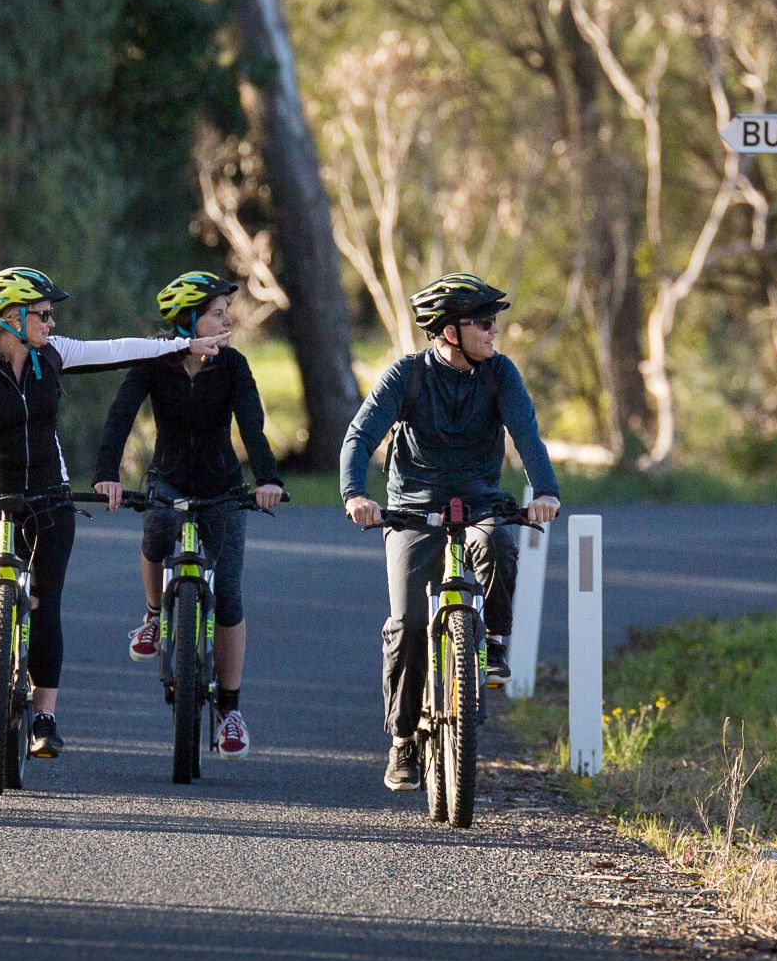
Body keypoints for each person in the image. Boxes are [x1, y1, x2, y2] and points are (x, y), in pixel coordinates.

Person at [0, 266, 226, 761]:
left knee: (46, 602)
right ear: (11, 318)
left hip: (49, 493)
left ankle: (47, 717)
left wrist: (180, 347)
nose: (51, 323)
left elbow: (119, 348)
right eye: (43, 314)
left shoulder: (55, 355)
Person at [338, 272, 561, 792]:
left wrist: (545, 490)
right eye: (483, 322)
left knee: (497, 542)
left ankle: (495, 643)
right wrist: (356, 495)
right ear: (449, 332)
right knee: (409, 624)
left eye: (494, 321)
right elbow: (359, 435)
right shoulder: (407, 376)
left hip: (480, 502)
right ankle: (402, 741)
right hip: (411, 510)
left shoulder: (500, 374)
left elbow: (526, 433)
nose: (494, 331)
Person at [92, 271, 285, 757]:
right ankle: (156, 616)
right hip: (169, 478)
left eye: (226, 314)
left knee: (232, 592)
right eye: (218, 315)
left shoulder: (234, 367)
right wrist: (106, 473)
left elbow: (252, 427)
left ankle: (229, 709)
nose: (227, 323)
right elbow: (120, 416)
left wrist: (268, 481)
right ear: (188, 322)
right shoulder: (153, 361)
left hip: (223, 486)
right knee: (156, 530)